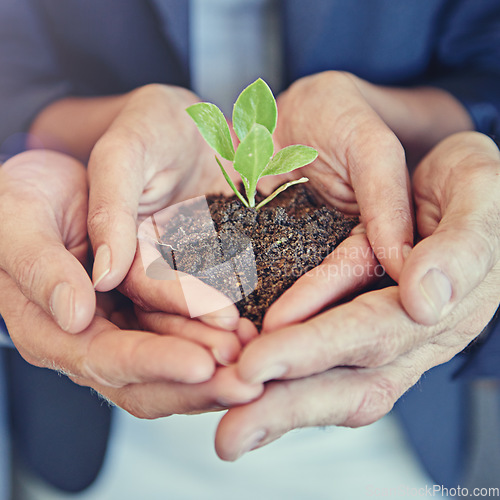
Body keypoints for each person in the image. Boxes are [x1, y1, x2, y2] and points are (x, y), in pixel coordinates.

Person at [0, 0, 499, 496]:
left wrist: (391, 126)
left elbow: (487, 67)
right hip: (97, 435)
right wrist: (76, 150)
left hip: (391, 438)